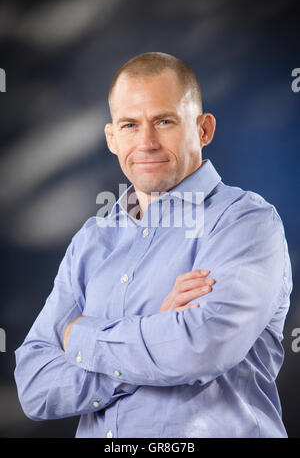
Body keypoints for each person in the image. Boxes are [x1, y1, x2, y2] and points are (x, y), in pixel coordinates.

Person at [14, 52, 293, 438]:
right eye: (129, 125)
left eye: (164, 121)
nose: (146, 142)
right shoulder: (91, 241)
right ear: (112, 138)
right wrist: (156, 333)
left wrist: (81, 336)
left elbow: (199, 350)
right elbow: (34, 387)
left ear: (204, 129)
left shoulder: (245, 223)